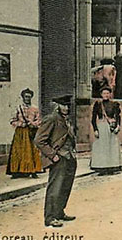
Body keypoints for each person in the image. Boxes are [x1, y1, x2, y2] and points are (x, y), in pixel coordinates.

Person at [34, 95, 77, 228]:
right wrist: (53, 155)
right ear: (58, 106)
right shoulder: (52, 119)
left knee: (65, 187)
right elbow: (39, 140)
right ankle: (50, 217)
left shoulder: (67, 119)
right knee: (55, 188)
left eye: (68, 105)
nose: (66, 108)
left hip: (69, 157)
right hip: (59, 158)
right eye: (64, 105)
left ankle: (59, 212)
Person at [6, 88, 42, 178]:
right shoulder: (18, 108)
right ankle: (17, 171)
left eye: (29, 97)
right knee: (18, 151)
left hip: (31, 132)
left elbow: (39, 120)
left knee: (32, 151)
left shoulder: (35, 108)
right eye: (25, 97)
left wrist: (33, 124)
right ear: (22, 97)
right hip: (20, 133)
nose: (27, 99)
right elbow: (12, 120)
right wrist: (21, 124)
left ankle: (33, 170)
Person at [90, 86, 122, 175]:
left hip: (111, 127)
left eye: (107, 93)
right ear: (101, 95)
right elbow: (93, 119)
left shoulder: (114, 104)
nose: (106, 95)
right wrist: (95, 130)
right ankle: (102, 168)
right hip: (102, 127)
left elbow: (118, 116)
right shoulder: (98, 104)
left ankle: (112, 167)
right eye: (104, 93)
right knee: (102, 148)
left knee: (112, 147)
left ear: (110, 94)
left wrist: (118, 126)